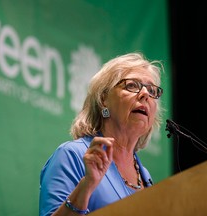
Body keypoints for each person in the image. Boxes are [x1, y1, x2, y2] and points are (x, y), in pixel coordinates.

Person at [39, 52, 164, 216]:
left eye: (152, 90)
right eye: (132, 85)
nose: (145, 94)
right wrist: (87, 185)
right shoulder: (73, 155)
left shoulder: (145, 176)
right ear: (104, 99)